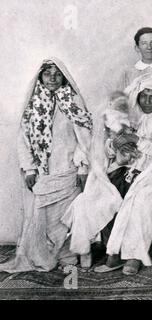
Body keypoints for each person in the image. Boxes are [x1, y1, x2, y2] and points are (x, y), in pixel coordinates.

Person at [63, 74, 152, 275]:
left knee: (138, 202)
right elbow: (112, 145)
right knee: (99, 196)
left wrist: (135, 138)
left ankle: (133, 256)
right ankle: (110, 250)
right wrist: (116, 145)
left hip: (151, 170)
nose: (148, 102)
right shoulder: (132, 117)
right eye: (144, 96)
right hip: (126, 167)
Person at [0, 58, 92, 273]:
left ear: (64, 77)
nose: (52, 78)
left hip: (68, 171)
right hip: (43, 173)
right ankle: (44, 256)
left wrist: (82, 166)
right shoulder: (33, 105)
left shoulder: (73, 103)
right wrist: (30, 168)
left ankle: (68, 256)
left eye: (57, 74)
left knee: (66, 216)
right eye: (47, 73)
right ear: (40, 77)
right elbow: (22, 139)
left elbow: (85, 137)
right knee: (44, 218)